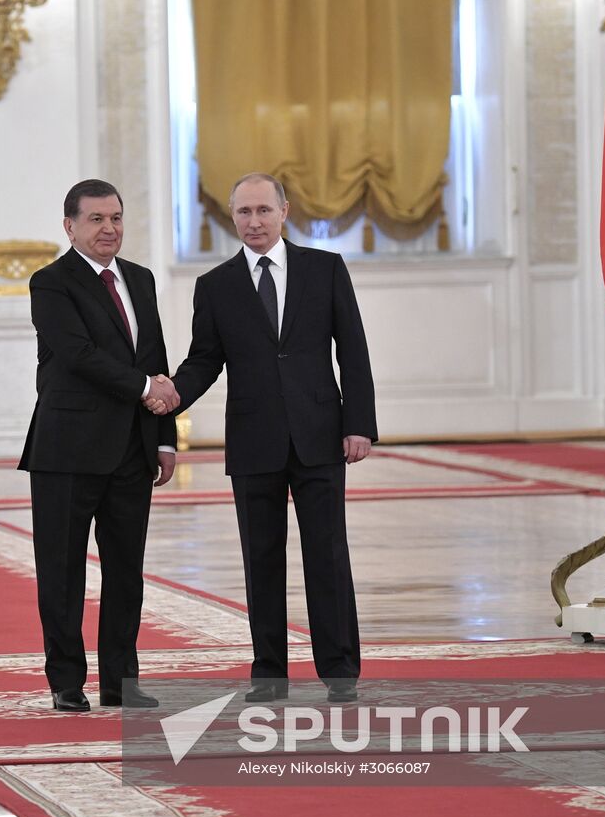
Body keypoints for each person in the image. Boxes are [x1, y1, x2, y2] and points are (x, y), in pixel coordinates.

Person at [155, 172, 376, 703]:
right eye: (243, 213)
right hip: (254, 440)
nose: (253, 222)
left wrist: (359, 423)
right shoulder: (216, 286)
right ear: (232, 218)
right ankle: (269, 673)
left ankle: (340, 670)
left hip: (321, 435)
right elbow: (205, 359)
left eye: (262, 211)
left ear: (284, 212)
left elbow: (353, 348)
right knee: (261, 559)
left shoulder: (324, 269)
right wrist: (168, 395)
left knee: (328, 553)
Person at [19, 178, 180, 712]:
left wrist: (164, 439)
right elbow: (77, 354)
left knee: (126, 571)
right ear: (70, 226)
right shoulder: (51, 283)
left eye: (115, 218)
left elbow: (153, 356)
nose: (108, 228)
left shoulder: (141, 279)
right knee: (62, 571)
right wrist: (144, 389)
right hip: (67, 450)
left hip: (132, 450)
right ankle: (67, 682)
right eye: (95, 219)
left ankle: (121, 682)